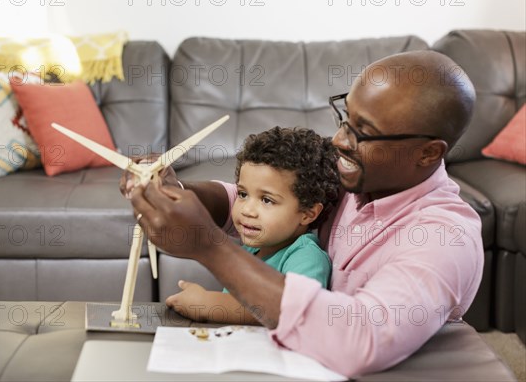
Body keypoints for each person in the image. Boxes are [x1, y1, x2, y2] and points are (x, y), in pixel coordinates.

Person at [125, 50, 483, 377]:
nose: (340, 141)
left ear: (427, 153)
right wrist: (176, 191)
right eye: (345, 118)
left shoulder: (445, 237)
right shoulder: (358, 176)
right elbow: (258, 198)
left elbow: (360, 339)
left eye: (365, 133)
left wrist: (210, 246)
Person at [165, 127, 340, 324]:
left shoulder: (306, 257)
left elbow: (291, 310)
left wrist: (208, 304)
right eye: (242, 194)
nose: (247, 210)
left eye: (266, 200)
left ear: (308, 213)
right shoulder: (253, 247)